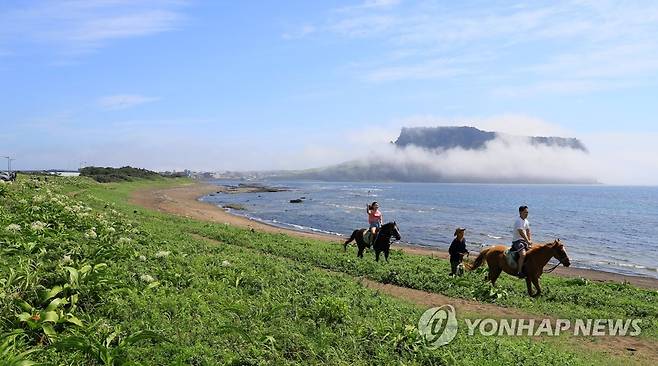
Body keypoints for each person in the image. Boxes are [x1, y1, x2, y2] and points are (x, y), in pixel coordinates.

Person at [512, 205, 532, 278]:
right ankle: (519, 272)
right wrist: (527, 241)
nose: (527, 214)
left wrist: (529, 241)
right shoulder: (518, 221)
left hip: (524, 241)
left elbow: (528, 231)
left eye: (527, 212)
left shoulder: (526, 221)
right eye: (525, 212)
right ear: (520, 212)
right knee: (523, 254)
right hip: (517, 241)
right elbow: (521, 232)